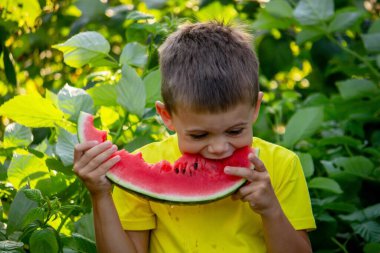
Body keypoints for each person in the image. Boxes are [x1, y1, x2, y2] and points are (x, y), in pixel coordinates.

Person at [73, 21, 316, 253]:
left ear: (255, 108)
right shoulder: (145, 163)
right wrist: (100, 195)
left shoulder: (282, 165)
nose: (219, 148)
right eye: (199, 135)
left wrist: (271, 210)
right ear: (167, 116)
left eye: (235, 131)